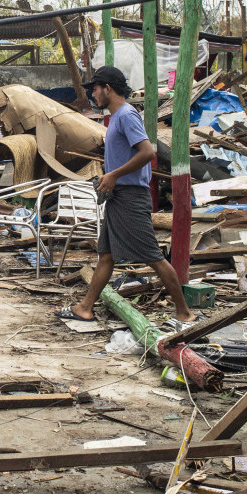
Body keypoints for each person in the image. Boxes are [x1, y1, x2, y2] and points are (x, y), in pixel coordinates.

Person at [57, 65, 198, 325]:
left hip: (130, 197)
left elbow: (147, 152)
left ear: (107, 88)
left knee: (153, 256)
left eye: (96, 89)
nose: (93, 95)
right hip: (118, 196)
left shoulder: (126, 115)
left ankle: (184, 313)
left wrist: (113, 175)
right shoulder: (117, 118)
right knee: (107, 256)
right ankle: (85, 308)